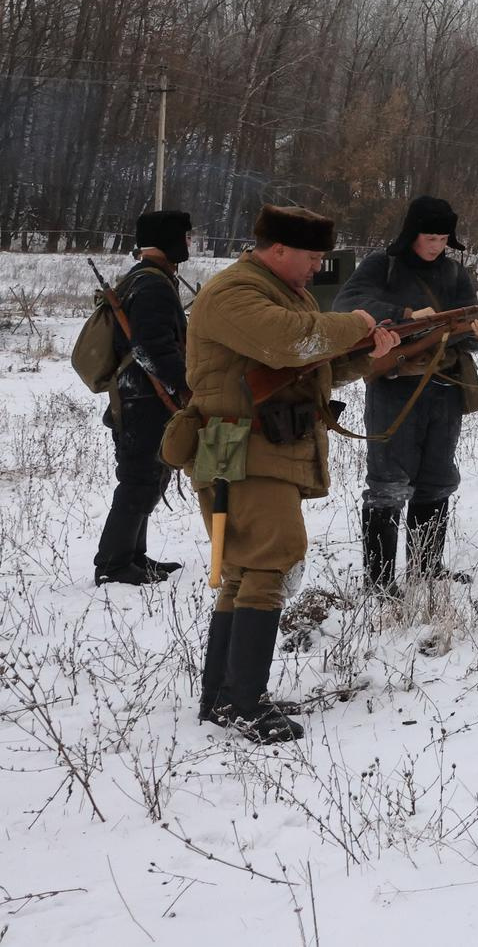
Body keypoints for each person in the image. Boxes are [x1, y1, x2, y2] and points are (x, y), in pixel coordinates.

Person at [174, 205, 401, 742]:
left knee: (245, 570)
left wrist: (372, 353)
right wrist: (357, 323)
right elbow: (290, 342)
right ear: (277, 250)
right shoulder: (236, 293)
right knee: (270, 563)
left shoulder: (279, 291)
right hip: (238, 443)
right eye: (312, 256)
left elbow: (305, 368)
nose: (317, 268)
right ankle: (243, 703)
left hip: (253, 444)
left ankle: (225, 696)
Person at [336, 195, 478, 594]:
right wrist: (405, 314)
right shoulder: (382, 265)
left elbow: (466, 330)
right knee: (388, 483)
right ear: (411, 234)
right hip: (394, 387)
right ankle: (380, 581)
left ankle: (426, 568)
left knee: (437, 480)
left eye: (443, 239)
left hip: (444, 386)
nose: (437, 246)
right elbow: (348, 304)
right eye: (430, 237)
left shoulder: (455, 274)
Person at [92, 207, 193, 587]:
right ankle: (114, 564)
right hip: (143, 399)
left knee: (149, 476)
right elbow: (151, 348)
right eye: (185, 237)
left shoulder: (147, 278)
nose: (189, 244)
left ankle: (134, 556)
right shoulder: (151, 285)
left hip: (142, 396)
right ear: (168, 240)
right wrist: (184, 385)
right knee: (139, 479)